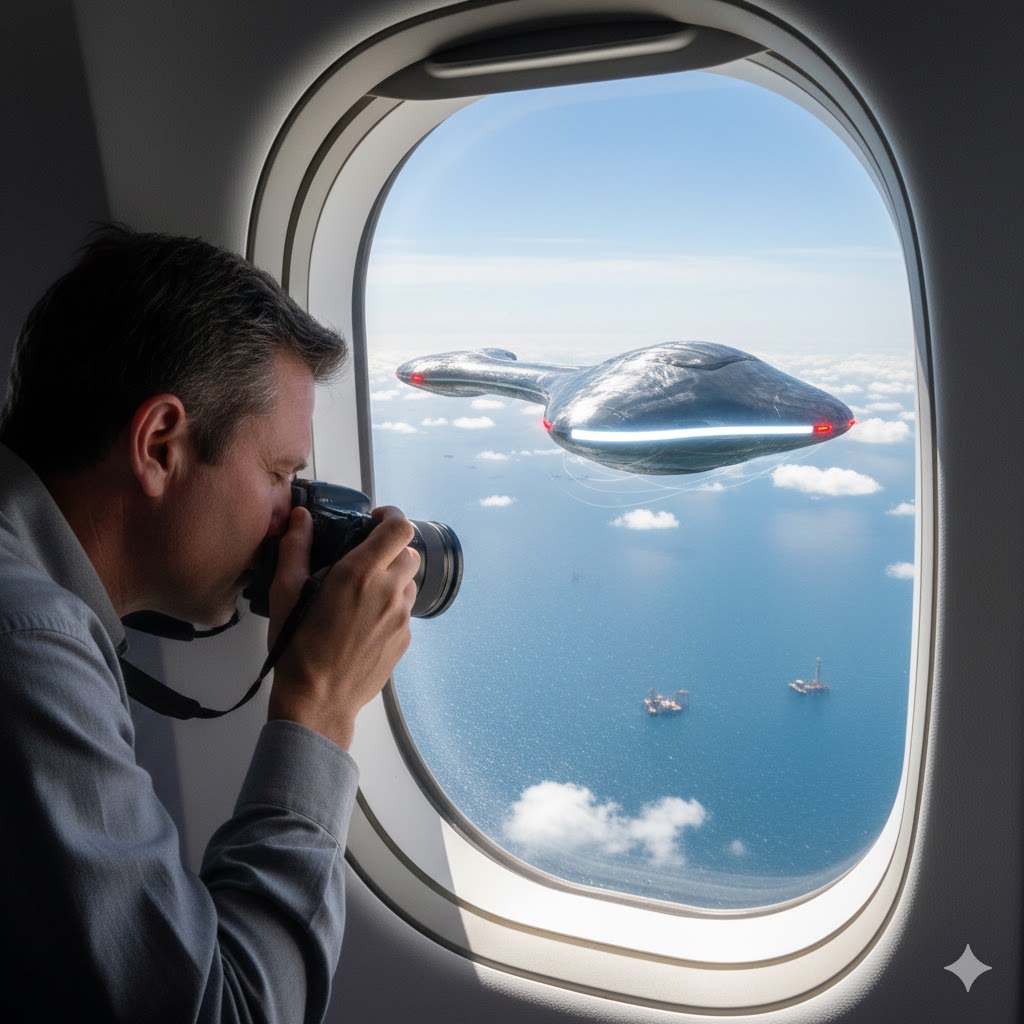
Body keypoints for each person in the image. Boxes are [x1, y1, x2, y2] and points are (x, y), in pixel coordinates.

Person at [0, 224, 420, 1021]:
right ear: (160, 444)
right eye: (279, 475)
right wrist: (319, 708)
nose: (289, 516)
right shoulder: (27, 645)